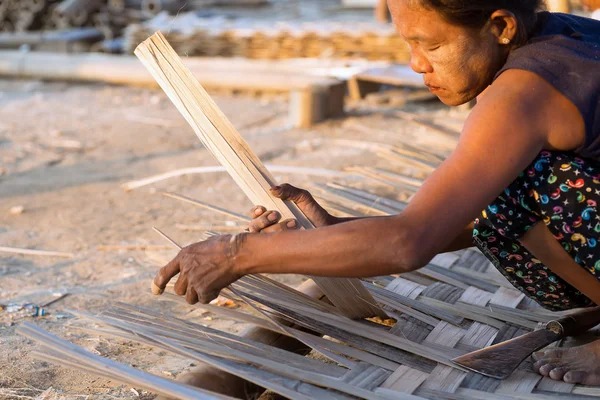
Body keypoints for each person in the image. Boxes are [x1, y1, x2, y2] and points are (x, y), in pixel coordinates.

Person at [155, 0, 600, 385]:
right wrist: (330, 236)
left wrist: (237, 254)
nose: (416, 64)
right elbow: (457, 217)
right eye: (408, 44)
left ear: (500, 27)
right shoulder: (563, 35)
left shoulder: (522, 94)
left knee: (537, 178)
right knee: (507, 190)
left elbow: (408, 243)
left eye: (431, 44)